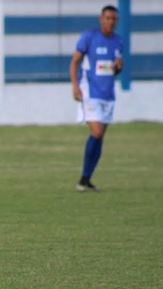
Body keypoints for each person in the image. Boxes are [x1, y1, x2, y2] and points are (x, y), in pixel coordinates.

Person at [69, 5, 123, 192]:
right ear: (101, 19)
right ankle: (83, 179)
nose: (111, 21)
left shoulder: (118, 41)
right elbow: (75, 61)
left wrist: (118, 67)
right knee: (97, 132)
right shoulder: (89, 37)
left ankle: (86, 179)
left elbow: (113, 69)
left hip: (108, 94)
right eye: (107, 18)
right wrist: (75, 85)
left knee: (100, 138)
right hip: (90, 92)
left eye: (114, 18)